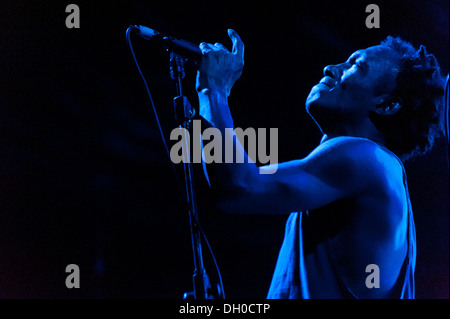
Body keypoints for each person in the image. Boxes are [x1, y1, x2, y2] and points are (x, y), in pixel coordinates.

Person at [195, 29, 445, 299]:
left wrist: (214, 90)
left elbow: (239, 186)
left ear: (386, 105)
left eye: (355, 65)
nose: (331, 67)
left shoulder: (366, 159)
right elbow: (242, 177)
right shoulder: (369, 169)